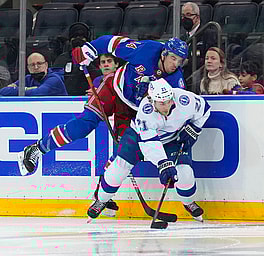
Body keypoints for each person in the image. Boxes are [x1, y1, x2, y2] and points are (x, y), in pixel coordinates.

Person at [18, 36, 189, 216]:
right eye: (173, 58)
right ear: (164, 54)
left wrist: (185, 125)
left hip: (138, 111)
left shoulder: (176, 81)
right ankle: (36, 149)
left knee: (123, 152)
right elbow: (112, 43)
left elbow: (176, 109)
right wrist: (88, 50)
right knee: (84, 125)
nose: (175, 64)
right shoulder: (146, 49)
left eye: (179, 61)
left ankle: (101, 194)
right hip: (114, 90)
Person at [87, 78, 211, 222]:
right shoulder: (145, 111)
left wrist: (195, 128)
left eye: (169, 101)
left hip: (172, 139)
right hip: (138, 138)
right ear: (152, 101)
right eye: (162, 103)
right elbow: (149, 143)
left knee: (185, 174)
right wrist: (163, 164)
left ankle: (188, 202)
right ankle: (102, 199)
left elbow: (205, 109)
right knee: (118, 169)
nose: (166, 106)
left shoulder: (185, 99)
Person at [53, 22, 100, 96]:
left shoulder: (95, 58)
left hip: (88, 97)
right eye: (75, 37)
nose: (78, 40)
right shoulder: (62, 58)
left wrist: (86, 62)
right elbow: (55, 80)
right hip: (66, 98)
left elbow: (99, 77)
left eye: (81, 37)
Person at [180, 2, 217, 91]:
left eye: (188, 15)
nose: (185, 18)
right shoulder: (182, 38)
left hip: (200, 81)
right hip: (184, 80)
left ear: (197, 17)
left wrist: (188, 61)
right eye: (183, 15)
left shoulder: (209, 34)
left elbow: (210, 59)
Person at [0, 52, 67, 96]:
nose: (36, 67)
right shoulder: (28, 79)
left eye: (39, 63)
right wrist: (27, 89)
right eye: (32, 65)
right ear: (28, 68)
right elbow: (4, 91)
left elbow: (39, 92)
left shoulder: (54, 79)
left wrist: (18, 89)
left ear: (46, 65)